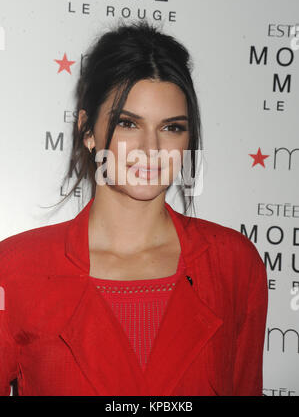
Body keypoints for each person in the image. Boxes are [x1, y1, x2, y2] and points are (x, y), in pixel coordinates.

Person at [0, 20, 268, 396]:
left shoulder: (234, 265)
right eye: (128, 123)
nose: (151, 147)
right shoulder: (14, 270)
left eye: (172, 128)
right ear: (88, 131)